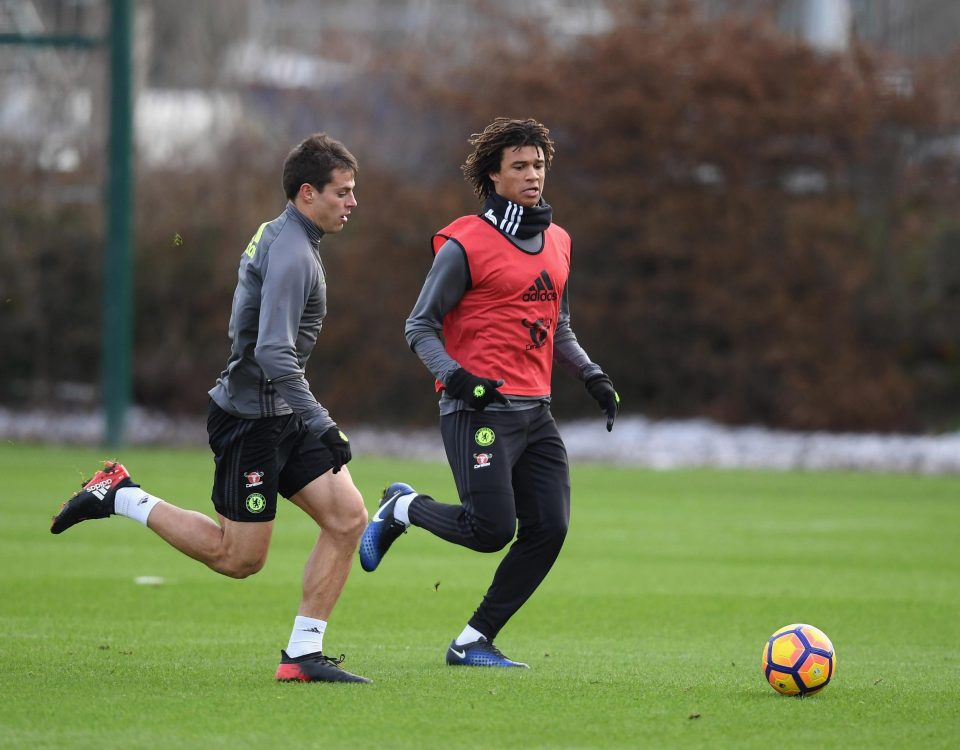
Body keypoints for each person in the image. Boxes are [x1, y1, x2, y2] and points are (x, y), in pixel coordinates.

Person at [51, 133, 371, 684]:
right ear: (305, 194)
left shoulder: (286, 234)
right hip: (252, 420)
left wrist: (304, 416)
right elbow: (272, 350)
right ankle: (121, 495)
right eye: (341, 192)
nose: (352, 202)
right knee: (238, 559)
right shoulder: (294, 252)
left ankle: (302, 655)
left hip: (278, 411)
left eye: (352, 191)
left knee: (347, 519)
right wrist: (322, 421)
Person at [359, 117, 620, 668]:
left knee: (550, 527)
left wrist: (591, 374)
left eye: (539, 166)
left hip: (536, 412)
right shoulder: (465, 243)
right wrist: (455, 377)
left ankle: (474, 639)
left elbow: (558, 326)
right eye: (520, 167)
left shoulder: (560, 241)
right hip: (477, 409)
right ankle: (403, 506)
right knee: (490, 531)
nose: (533, 176)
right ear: (493, 177)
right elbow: (419, 326)